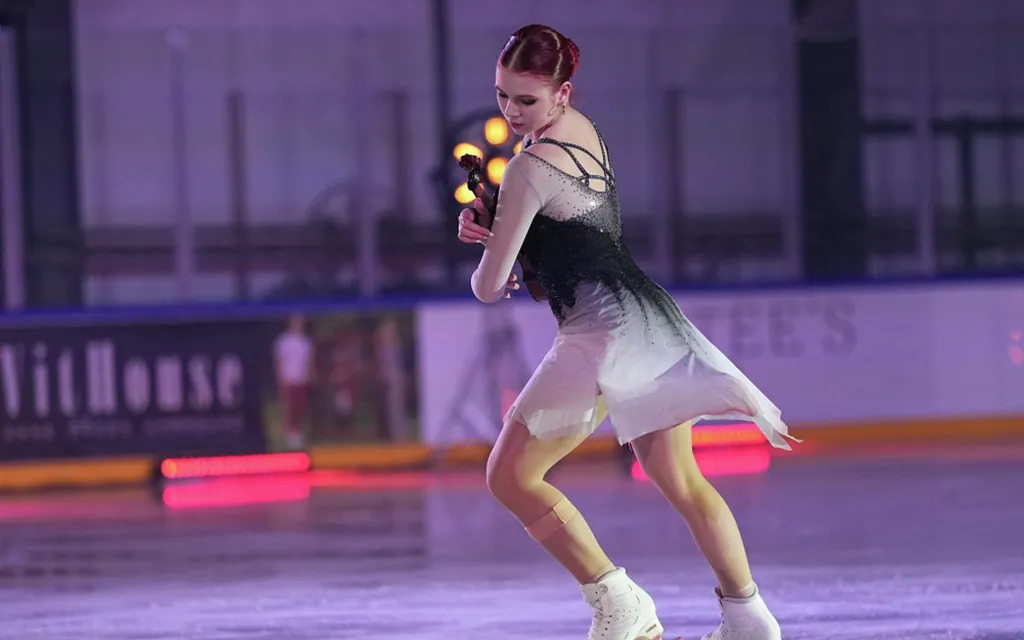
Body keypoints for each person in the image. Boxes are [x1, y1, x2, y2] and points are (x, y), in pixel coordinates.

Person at [456, 24, 797, 640]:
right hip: (650, 320)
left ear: (562, 93)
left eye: (526, 99)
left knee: (509, 476)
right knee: (683, 481)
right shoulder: (584, 132)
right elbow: (567, 231)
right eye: (502, 95)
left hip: (599, 336)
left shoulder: (528, 166)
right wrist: (506, 222)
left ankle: (617, 600)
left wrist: (487, 236)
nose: (511, 111)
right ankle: (749, 617)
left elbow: (489, 286)